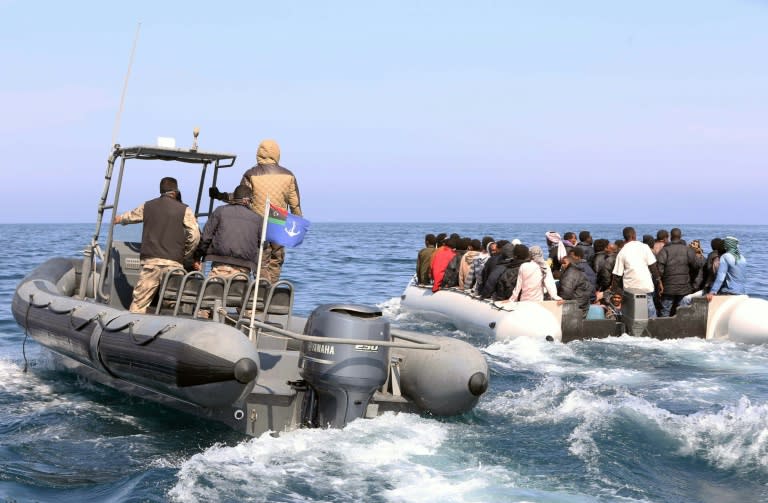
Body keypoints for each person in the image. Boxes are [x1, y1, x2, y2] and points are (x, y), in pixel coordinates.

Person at [210, 139, 301, 283]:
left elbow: (240, 197)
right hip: (279, 222)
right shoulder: (289, 175)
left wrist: (221, 196)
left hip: (256, 223)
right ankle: (272, 289)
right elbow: (295, 204)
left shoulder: (251, 174)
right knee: (276, 259)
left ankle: (261, 290)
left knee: (261, 261)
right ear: (277, 153)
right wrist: (298, 223)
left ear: (258, 153)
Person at [114, 177, 200, 313]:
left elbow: (130, 216)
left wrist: (119, 219)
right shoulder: (185, 209)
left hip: (151, 264)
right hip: (174, 264)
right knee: (175, 303)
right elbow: (195, 235)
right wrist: (186, 253)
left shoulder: (148, 206)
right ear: (176, 192)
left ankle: (133, 329)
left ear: (160, 191)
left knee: (139, 304)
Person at [195, 185, 264, 278]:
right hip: (243, 269)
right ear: (248, 201)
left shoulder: (220, 211)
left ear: (234, 198)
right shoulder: (258, 219)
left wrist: (197, 257)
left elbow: (206, 237)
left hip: (220, 266)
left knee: (212, 291)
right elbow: (264, 244)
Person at [610, 226, 663, 318]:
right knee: (650, 310)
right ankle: (654, 328)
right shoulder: (645, 247)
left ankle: (632, 330)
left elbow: (617, 275)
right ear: (634, 236)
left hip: (630, 288)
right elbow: (653, 267)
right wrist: (659, 282)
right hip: (645, 286)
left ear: (624, 238)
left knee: (632, 312)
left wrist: (614, 291)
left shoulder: (622, 251)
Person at [656, 228, 699, 317]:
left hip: (668, 287)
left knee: (665, 311)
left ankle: (664, 330)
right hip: (684, 286)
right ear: (680, 236)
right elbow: (696, 266)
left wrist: (660, 283)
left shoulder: (665, 250)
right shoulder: (688, 250)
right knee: (682, 312)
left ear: (671, 237)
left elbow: (659, 270)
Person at [707, 236, 747, 300]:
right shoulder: (742, 258)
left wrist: (712, 292)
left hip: (730, 291)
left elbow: (721, 277)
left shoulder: (725, 257)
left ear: (727, 245)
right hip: (742, 291)